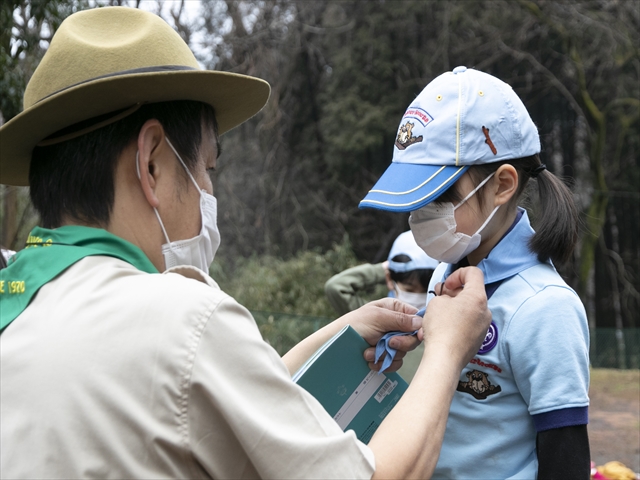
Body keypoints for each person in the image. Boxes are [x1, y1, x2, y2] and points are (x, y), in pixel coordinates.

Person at [0, 8, 492, 479]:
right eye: (206, 170)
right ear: (151, 163)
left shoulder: (20, 303)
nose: (208, 193)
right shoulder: (181, 318)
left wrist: (335, 334)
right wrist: (448, 349)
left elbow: (197, 401)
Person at [360, 66, 590, 479]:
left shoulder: (545, 308)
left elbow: (565, 455)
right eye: (416, 199)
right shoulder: (445, 276)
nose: (421, 216)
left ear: (502, 185)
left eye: (439, 196)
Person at [325, 230, 439, 315]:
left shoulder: (440, 325)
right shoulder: (376, 319)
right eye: (409, 289)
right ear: (390, 279)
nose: (417, 298)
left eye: (425, 291)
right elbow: (336, 287)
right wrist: (381, 271)